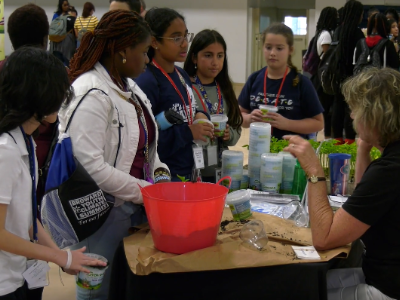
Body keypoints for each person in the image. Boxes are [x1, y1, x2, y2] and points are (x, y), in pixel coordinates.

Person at [64, 10, 170, 300]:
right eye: (144, 52)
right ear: (123, 51)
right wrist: (147, 192)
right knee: (97, 292)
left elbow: (149, 148)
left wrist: (161, 178)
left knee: (123, 289)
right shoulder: (90, 92)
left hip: (133, 205)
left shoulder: (129, 88)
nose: (148, 60)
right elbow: (89, 166)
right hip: (101, 213)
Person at [284, 67, 400, 300]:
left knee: (301, 289)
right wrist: (364, 147)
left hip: (387, 288)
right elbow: (366, 197)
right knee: (315, 281)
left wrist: (314, 171)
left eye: (355, 109)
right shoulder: (390, 161)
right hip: (387, 276)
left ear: (374, 115)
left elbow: (324, 238)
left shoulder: (388, 170)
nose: (352, 116)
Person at [0, 47, 106, 300]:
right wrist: (60, 256)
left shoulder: (26, 141)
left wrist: (62, 256)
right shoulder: (6, 152)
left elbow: (25, 217)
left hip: (22, 272)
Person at [136, 8, 213, 182]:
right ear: (154, 42)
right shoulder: (147, 81)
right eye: (176, 38)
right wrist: (188, 133)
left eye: (186, 36)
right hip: (164, 175)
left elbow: (187, 110)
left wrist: (201, 114)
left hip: (189, 169)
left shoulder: (181, 74)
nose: (185, 44)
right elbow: (145, 140)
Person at [238, 23, 324, 140]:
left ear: (290, 50)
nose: (273, 53)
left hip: (291, 152)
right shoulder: (254, 79)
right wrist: (249, 119)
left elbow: (318, 123)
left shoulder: (302, 83)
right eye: (268, 47)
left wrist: (287, 124)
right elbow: (239, 116)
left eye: (279, 48)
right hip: (259, 150)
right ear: (262, 47)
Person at [184, 29, 243, 182]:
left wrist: (229, 135)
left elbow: (237, 127)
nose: (215, 62)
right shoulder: (185, 87)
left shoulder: (225, 89)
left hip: (220, 167)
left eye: (220, 56)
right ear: (194, 58)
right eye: (208, 55)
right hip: (191, 167)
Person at [329, 0, 364, 145]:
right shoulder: (357, 33)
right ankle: (350, 139)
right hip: (352, 75)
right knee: (350, 107)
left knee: (337, 105)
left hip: (337, 74)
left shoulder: (338, 31)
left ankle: (337, 138)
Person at [312, 6, 338, 139]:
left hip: (319, 76)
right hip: (324, 77)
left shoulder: (320, 33)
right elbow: (328, 57)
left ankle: (318, 136)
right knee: (324, 109)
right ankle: (321, 136)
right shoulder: (326, 35)